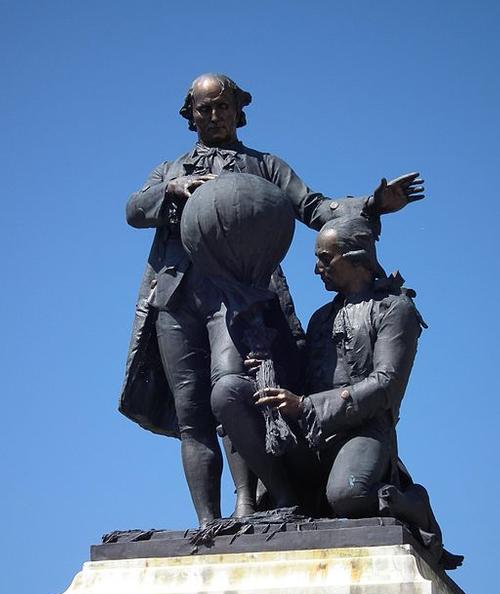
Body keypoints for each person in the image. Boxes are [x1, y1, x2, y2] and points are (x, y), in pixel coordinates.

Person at [119, 72, 424, 527]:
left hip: (239, 296)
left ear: (238, 109)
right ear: (191, 116)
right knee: (192, 415)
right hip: (178, 296)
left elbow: (314, 206)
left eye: (223, 106)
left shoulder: (266, 167)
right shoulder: (170, 170)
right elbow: (133, 210)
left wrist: (372, 204)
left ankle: (248, 504)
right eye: (205, 108)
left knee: (234, 392)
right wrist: (171, 191)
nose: (215, 115)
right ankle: (207, 522)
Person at [254, 212, 462, 568]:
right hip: (314, 431)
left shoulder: (395, 310)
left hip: (365, 429)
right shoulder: (321, 318)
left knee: (349, 495)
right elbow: (303, 375)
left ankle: (413, 504)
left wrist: (306, 405)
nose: (317, 269)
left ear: (354, 257)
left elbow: (386, 385)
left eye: (324, 258)